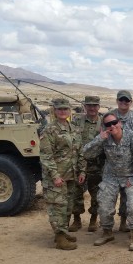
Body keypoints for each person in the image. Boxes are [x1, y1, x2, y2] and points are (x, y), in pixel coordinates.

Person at [82, 112, 133, 251]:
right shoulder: (105, 139)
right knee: (104, 205)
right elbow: (86, 153)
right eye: (108, 124)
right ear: (105, 127)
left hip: (131, 176)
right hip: (111, 177)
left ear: (120, 122)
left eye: (114, 122)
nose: (112, 126)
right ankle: (107, 233)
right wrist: (99, 138)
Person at [39, 98, 86, 250]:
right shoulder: (49, 130)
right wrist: (55, 175)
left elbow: (79, 153)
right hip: (57, 177)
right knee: (57, 207)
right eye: (59, 109)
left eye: (65, 109)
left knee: (67, 206)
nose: (63, 111)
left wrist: (82, 171)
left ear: (70, 110)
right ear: (54, 111)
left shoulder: (74, 129)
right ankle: (59, 237)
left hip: (71, 175)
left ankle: (63, 232)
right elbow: (46, 156)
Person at [67, 96, 104, 233]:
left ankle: (93, 219)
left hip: (97, 164)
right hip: (78, 163)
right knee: (76, 192)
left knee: (97, 194)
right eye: (89, 105)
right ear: (85, 107)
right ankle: (76, 220)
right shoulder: (77, 121)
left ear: (99, 106)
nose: (92, 108)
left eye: (95, 105)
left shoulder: (103, 123)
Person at [111, 90, 133, 232]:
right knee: (110, 195)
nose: (124, 103)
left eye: (126, 100)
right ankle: (107, 226)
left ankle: (123, 221)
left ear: (130, 102)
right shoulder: (110, 116)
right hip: (113, 163)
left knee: (127, 196)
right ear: (117, 101)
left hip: (130, 164)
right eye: (121, 100)